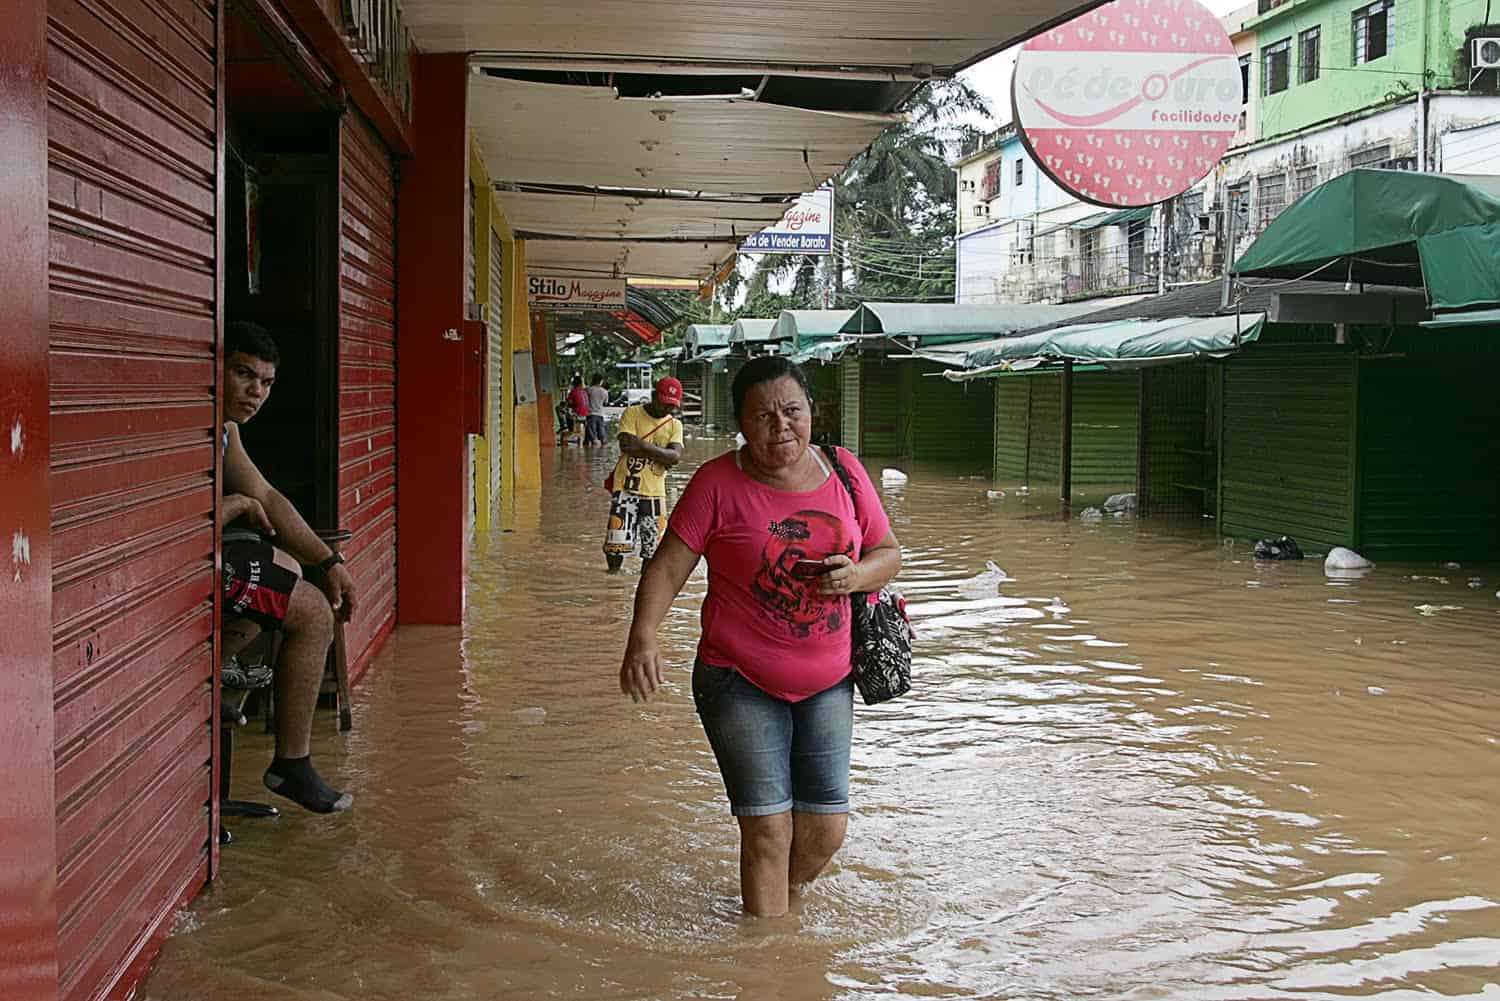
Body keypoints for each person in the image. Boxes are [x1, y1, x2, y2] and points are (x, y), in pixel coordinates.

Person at [618, 356, 902, 917]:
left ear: (811, 413)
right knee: (769, 831)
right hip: (737, 678)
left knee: (825, 831)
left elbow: (887, 552)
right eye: (763, 416)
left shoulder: (845, 470)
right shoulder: (716, 484)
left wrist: (855, 576)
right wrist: (642, 638)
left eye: (792, 411)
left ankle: (773, 905)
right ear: (741, 425)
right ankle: (767, 957)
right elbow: (668, 566)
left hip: (829, 680)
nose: (781, 427)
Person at [220, 321, 356, 813]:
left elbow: (268, 498)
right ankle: (290, 764)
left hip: (212, 566)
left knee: (285, 568)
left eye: (266, 383)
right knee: (314, 613)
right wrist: (231, 507)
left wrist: (329, 560)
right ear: (215, 367)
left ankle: (222, 689)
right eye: (243, 375)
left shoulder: (225, 431)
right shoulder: (187, 419)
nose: (256, 391)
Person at [603, 377, 685, 572]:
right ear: (654, 396)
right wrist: (661, 453)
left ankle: (645, 585)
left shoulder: (675, 425)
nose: (668, 409)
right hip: (625, 489)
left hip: (655, 494)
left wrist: (641, 445)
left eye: (672, 406)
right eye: (664, 403)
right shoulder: (632, 413)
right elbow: (626, 444)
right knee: (616, 544)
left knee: (652, 548)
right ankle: (613, 581)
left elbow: (675, 457)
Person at [584, 373, 610, 447]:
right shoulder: (605, 391)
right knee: (602, 436)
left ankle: (590, 453)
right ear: (601, 381)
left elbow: (584, 400)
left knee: (593, 437)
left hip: (590, 414)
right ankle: (601, 453)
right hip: (600, 414)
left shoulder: (588, 389)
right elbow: (605, 402)